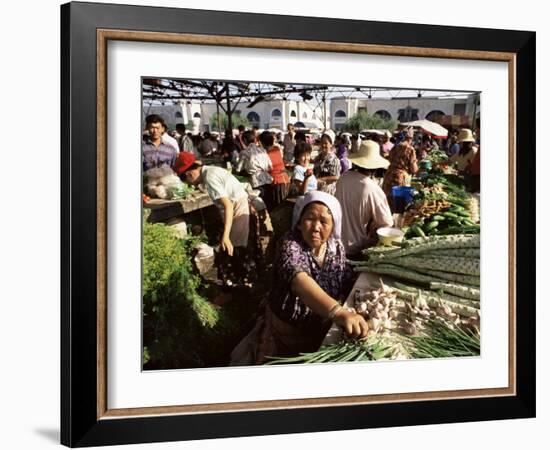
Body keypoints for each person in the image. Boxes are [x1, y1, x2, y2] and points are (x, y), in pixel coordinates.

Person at [230, 191, 368, 365]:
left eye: (324, 221)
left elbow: (346, 278)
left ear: (333, 226)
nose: (316, 227)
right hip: (285, 334)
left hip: (318, 330)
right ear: (300, 221)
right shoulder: (290, 244)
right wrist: (338, 312)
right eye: (310, 218)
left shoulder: (336, 248)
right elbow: (299, 281)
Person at [174, 153, 257, 299]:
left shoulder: (210, 177)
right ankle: (241, 288)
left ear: (190, 173)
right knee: (237, 251)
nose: (188, 184)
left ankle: (232, 292)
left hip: (238, 209)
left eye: (185, 178)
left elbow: (228, 205)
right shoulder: (210, 171)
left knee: (231, 251)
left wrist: (225, 236)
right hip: (240, 207)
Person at [335, 140, 393, 256]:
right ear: (375, 167)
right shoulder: (373, 189)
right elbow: (387, 223)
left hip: (335, 244)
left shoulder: (343, 178)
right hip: (356, 247)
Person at [381, 127, 418, 208]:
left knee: (387, 204)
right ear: (410, 138)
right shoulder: (410, 149)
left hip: (389, 176)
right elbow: (414, 169)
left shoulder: (395, 147)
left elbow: (389, 160)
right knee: (397, 207)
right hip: (400, 179)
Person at [236, 130, 273, 202]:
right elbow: (270, 167)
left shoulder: (244, 152)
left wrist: (247, 171)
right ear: (254, 139)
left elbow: (238, 170)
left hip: (256, 183)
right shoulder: (262, 150)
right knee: (269, 206)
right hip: (268, 181)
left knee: (260, 206)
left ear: (244, 140)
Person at [259, 130, 290, 210]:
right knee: (284, 205)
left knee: (278, 207)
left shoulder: (265, 154)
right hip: (285, 179)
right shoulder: (277, 149)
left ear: (262, 143)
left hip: (276, 182)